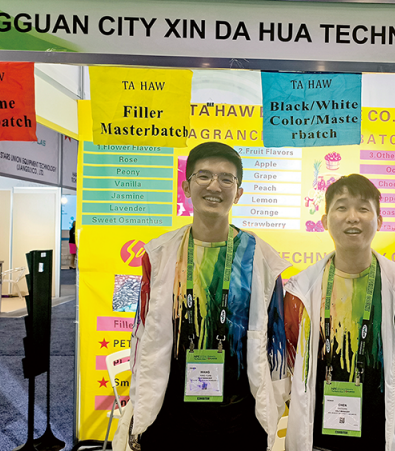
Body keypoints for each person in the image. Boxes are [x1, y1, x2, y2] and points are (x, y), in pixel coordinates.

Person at [114, 142, 290, 451]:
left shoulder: (261, 258)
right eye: (204, 176)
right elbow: (142, 333)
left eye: (226, 179)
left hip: (239, 418)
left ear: (238, 193)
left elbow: (275, 344)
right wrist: (140, 403)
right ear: (186, 187)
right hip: (172, 416)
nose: (214, 186)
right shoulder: (160, 254)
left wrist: (273, 407)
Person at [284, 174, 395, 451]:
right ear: (324, 221)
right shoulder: (300, 290)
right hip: (317, 439)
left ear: (379, 221)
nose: (352, 217)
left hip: (381, 437)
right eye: (342, 207)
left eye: (363, 208)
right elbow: (289, 359)